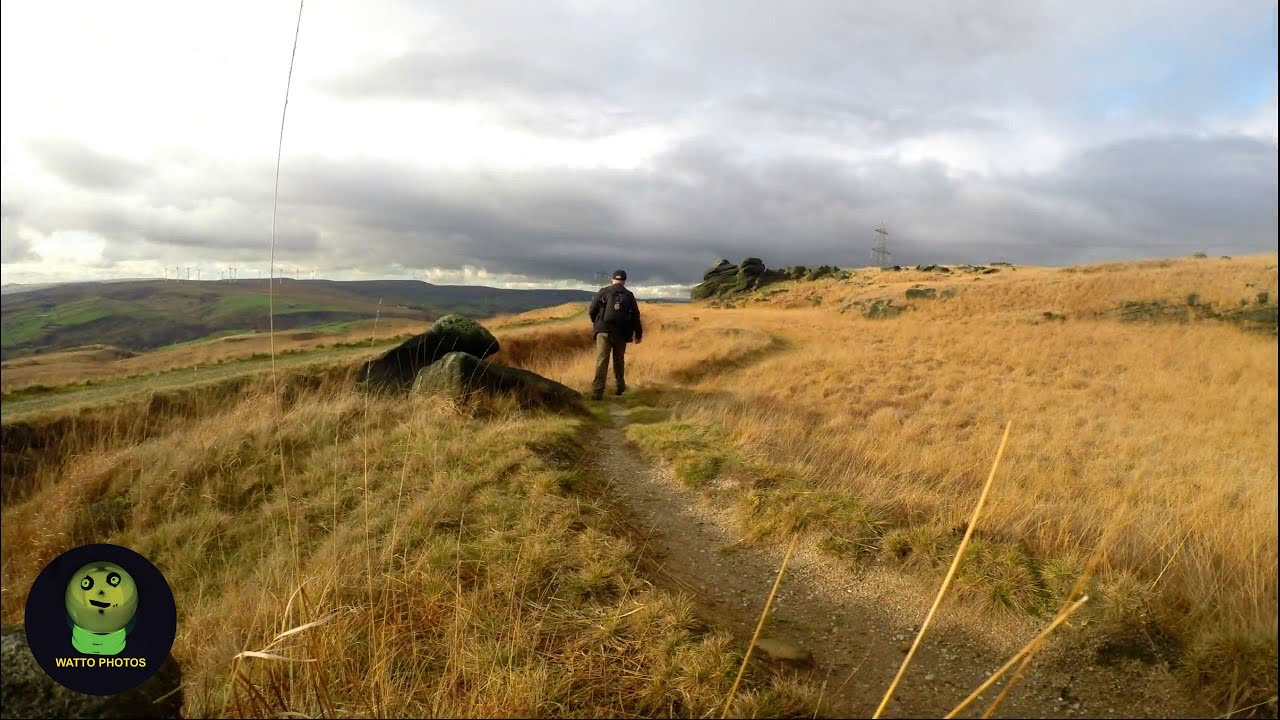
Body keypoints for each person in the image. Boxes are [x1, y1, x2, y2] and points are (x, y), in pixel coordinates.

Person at [588, 269, 643, 400]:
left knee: (602, 360)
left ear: (612, 279)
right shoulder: (629, 295)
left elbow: (592, 310)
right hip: (621, 332)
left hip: (603, 331)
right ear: (624, 281)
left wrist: (596, 323)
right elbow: (636, 316)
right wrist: (638, 334)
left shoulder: (603, 291)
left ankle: (598, 391)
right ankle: (620, 387)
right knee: (618, 360)